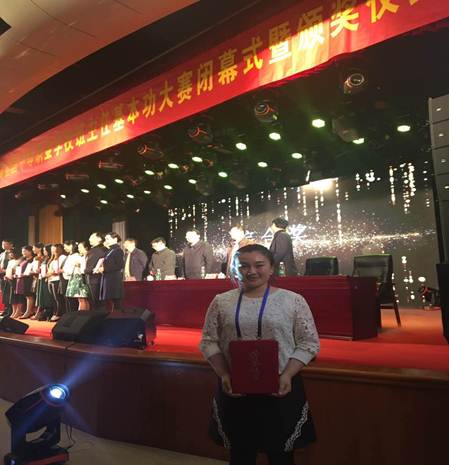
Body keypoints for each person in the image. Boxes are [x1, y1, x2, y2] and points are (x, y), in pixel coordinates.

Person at [200, 244, 319, 465]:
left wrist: (287, 375)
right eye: (244, 266)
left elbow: (308, 342)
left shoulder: (293, 300)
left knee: (281, 456)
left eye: (259, 265)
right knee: (241, 455)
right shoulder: (221, 301)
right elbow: (208, 341)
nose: (251, 271)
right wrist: (224, 374)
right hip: (235, 387)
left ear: (272, 268)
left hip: (281, 386)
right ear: (235, 269)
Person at [99, 232, 125, 311]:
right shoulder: (109, 250)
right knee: (108, 301)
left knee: (116, 300)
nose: (106, 241)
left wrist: (105, 269)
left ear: (115, 239)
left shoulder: (118, 250)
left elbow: (120, 265)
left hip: (114, 278)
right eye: (105, 239)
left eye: (108, 239)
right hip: (107, 277)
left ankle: (118, 316)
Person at [66, 241, 91, 310]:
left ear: (86, 248)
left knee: (83, 299)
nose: (79, 249)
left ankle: (82, 314)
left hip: (82, 279)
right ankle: (84, 313)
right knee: (81, 299)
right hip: (78, 278)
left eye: (80, 247)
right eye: (78, 248)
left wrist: (79, 266)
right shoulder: (82, 257)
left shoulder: (87, 257)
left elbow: (85, 269)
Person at [85, 232, 107, 310]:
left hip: (96, 279)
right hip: (91, 278)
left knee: (97, 303)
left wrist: (87, 270)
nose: (89, 239)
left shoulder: (100, 250)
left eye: (92, 237)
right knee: (93, 303)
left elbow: (94, 265)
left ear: (99, 239)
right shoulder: (94, 250)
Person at [13, 246, 35, 319]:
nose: (23, 253)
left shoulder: (33, 260)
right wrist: (16, 274)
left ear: (30, 251)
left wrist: (25, 274)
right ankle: (24, 311)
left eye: (25, 251)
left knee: (29, 295)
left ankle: (28, 312)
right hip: (21, 279)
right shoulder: (23, 259)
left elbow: (33, 270)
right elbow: (18, 269)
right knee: (24, 296)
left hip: (28, 279)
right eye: (22, 251)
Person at [47, 243, 66, 322]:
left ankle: (59, 314)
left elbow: (60, 269)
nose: (52, 250)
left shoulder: (62, 257)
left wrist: (53, 272)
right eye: (51, 248)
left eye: (54, 248)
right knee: (53, 299)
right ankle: (55, 313)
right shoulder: (52, 258)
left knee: (58, 298)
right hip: (50, 279)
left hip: (57, 279)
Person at [0, 239, 14, 316]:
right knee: (4, 293)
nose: (3, 245)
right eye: (3, 244)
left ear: (10, 245)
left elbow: (14, 265)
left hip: (9, 275)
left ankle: (10, 310)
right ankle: (5, 309)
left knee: (9, 293)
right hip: (2, 276)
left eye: (5, 244)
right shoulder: (2, 254)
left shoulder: (13, 253)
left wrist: (5, 271)